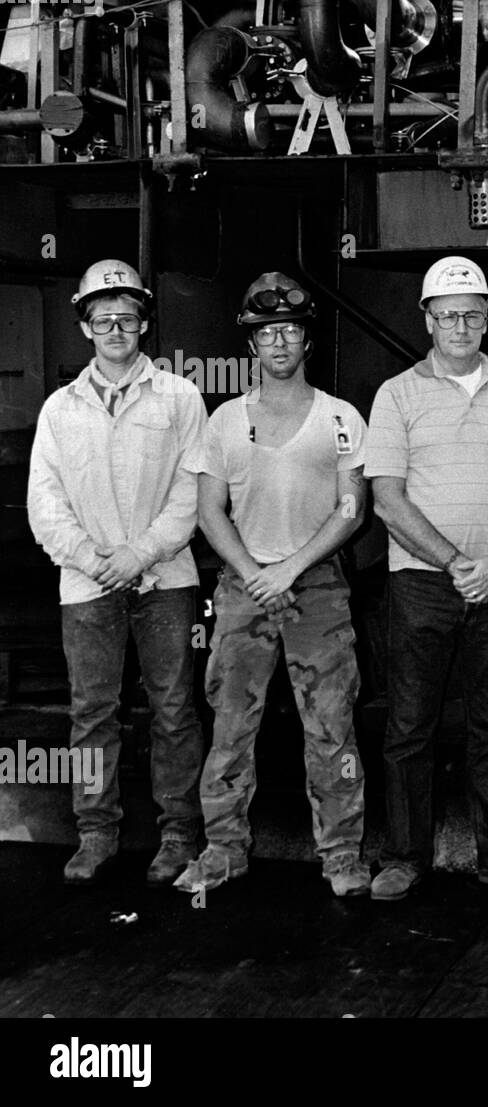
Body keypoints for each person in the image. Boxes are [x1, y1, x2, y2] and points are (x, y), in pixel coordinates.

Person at [364, 255, 488, 901]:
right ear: (427, 319)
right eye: (448, 315)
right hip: (423, 585)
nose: (460, 325)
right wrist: (457, 564)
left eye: (472, 314)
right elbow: (387, 499)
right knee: (410, 727)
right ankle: (404, 857)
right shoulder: (396, 394)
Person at [173, 273, 371, 897]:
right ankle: (224, 849)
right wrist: (257, 573)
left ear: (307, 338)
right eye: (266, 332)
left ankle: (341, 855)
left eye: (289, 329)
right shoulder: (224, 420)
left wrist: (291, 568)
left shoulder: (340, 417)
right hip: (242, 588)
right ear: (251, 343)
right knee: (231, 723)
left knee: (331, 723)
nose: (278, 341)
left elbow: (351, 508)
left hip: (317, 589)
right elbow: (209, 512)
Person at [27, 259, 206, 886]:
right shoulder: (59, 409)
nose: (115, 328)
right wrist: (94, 560)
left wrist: (141, 553)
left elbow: (192, 492)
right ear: (85, 326)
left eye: (127, 317)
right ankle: (96, 833)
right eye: (102, 318)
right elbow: (44, 502)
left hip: (166, 581)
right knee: (92, 713)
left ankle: (179, 836)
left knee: (174, 711)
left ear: (145, 322)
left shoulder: (181, 398)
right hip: (86, 586)